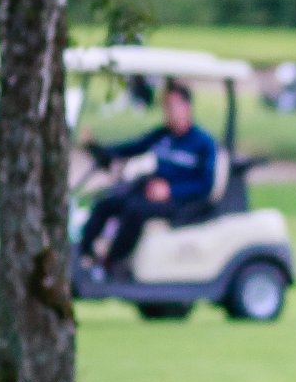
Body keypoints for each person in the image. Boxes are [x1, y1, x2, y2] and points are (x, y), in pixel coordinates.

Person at [76, 80, 218, 276]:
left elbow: (205, 185)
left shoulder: (203, 143)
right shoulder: (163, 135)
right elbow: (130, 149)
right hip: (153, 193)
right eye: (165, 106)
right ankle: (83, 253)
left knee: (135, 209)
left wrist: (171, 190)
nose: (167, 111)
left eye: (172, 106)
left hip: (182, 201)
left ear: (187, 107)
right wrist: (95, 147)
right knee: (108, 202)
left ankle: (111, 263)